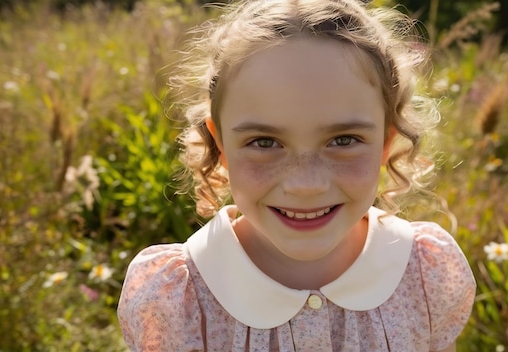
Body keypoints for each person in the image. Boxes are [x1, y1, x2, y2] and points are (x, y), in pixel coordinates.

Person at [117, 0, 476, 350]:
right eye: (265, 142)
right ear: (221, 144)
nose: (306, 185)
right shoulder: (179, 300)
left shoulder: (424, 276)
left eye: (343, 140)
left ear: (386, 142)